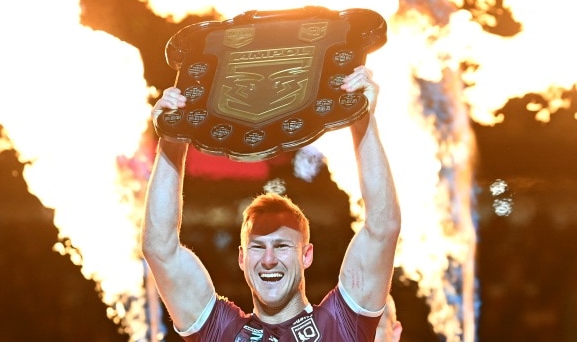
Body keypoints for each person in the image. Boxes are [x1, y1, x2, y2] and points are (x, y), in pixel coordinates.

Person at [141, 65, 401, 341]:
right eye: (257, 246)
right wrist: (172, 138)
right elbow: (159, 248)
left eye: (281, 245)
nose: (268, 259)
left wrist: (362, 120)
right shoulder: (222, 332)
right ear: (242, 258)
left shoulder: (341, 325)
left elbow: (383, 227)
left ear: (306, 255)